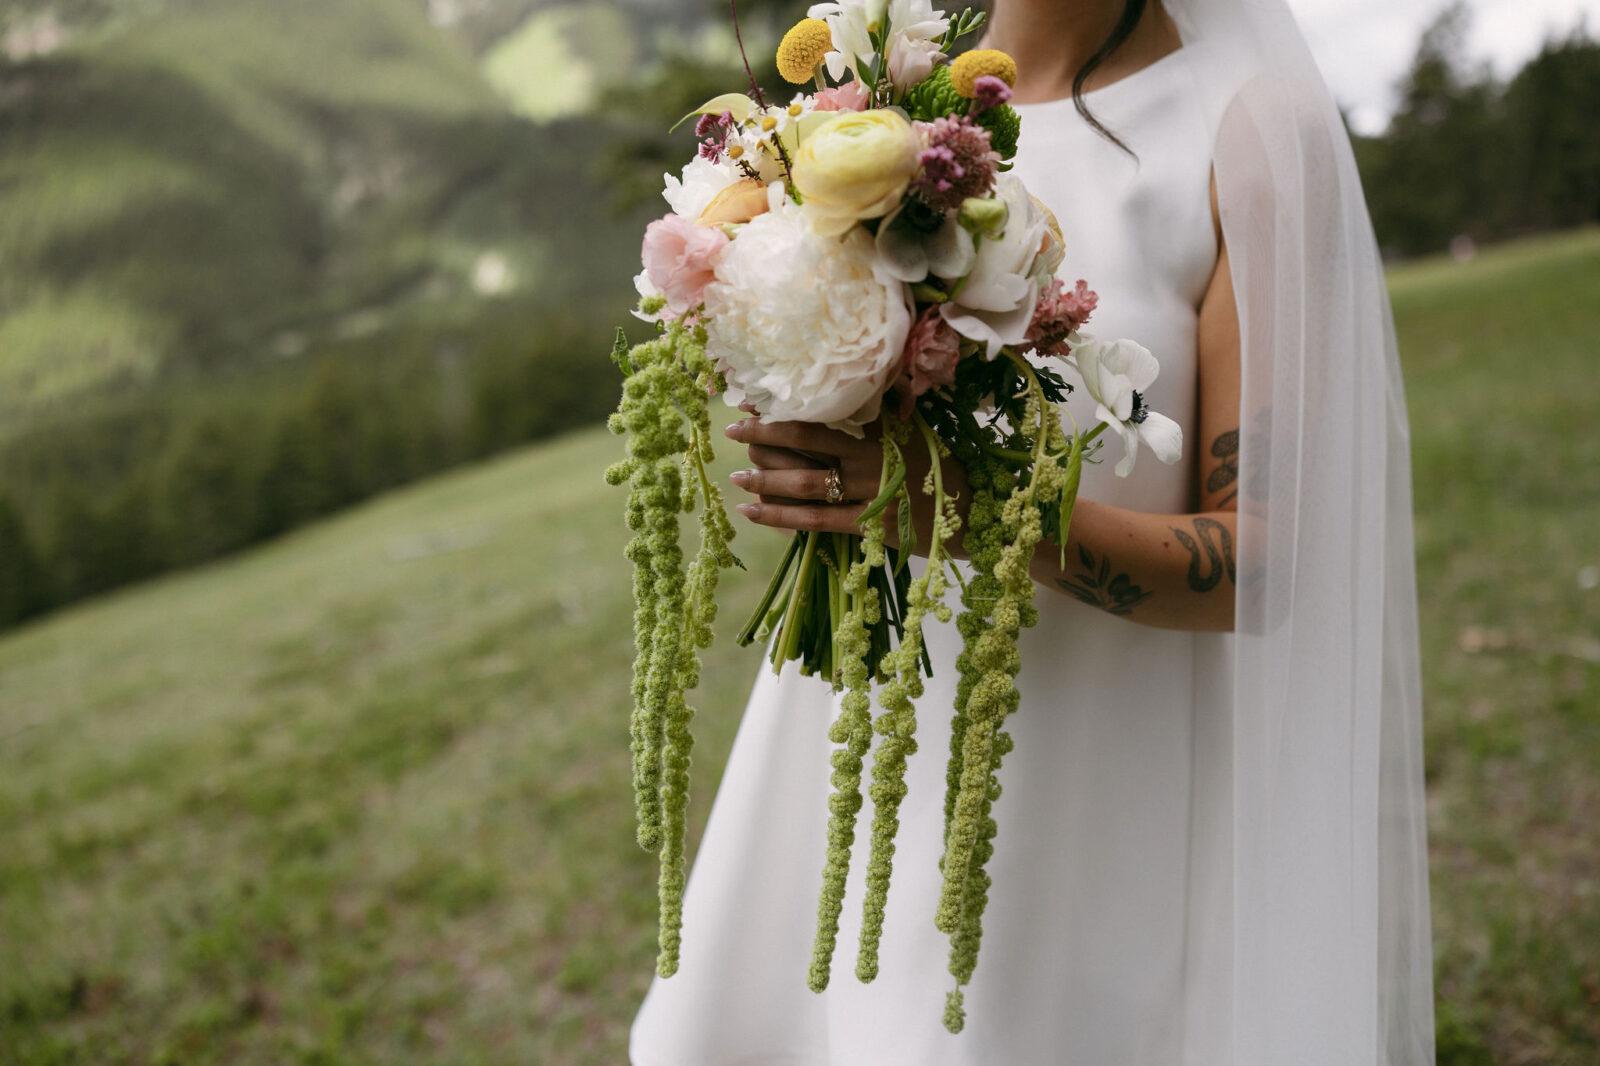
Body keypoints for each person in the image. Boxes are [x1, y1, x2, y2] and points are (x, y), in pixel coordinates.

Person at [631, 0, 1435, 1062]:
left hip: (1083, 791)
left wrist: (971, 507)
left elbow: (1265, 563)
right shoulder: (877, 88)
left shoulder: (1248, 128)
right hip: (856, 735)